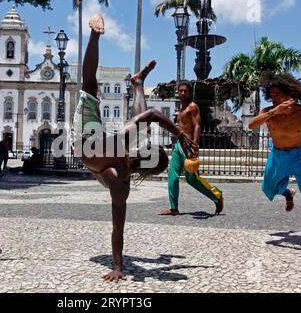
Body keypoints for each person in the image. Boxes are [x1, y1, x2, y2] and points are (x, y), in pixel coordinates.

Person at [72, 15, 194, 282]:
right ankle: (137, 83)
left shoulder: (120, 179)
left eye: (145, 152)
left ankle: (95, 36)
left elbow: (118, 228)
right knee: (140, 128)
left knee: (89, 86)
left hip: (82, 137)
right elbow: (148, 116)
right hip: (96, 145)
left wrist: (118, 266)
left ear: (144, 164)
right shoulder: (125, 158)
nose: (143, 149)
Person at [249, 71, 301, 243]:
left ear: (290, 93)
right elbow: (251, 125)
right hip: (278, 155)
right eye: (272, 96)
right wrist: (273, 112)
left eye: (279, 94)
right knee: (268, 188)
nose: (275, 98)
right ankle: (288, 193)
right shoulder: (268, 112)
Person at [158, 81, 224, 216]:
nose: (182, 93)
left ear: (190, 93)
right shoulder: (181, 109)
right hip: (178, 146)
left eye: (185, 91)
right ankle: (173, 208)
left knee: (192, 179)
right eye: (180, 91)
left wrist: (194, 145)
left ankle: (217, 196)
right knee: (172, 177)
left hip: (188, 147)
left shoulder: (193, 107)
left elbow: (197, 126)